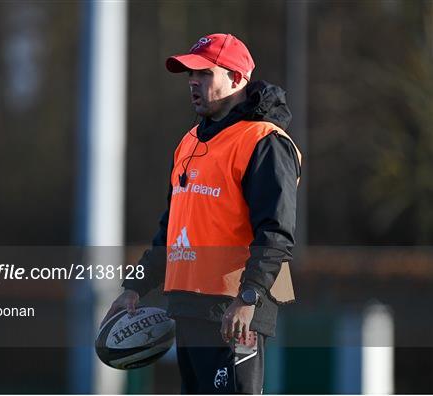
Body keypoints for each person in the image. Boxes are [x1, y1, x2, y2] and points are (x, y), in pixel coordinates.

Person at [102, 33, 302, 394]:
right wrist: (135, 287)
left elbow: (276, 233)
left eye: (205, 73)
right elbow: (172, 229)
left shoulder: (264, 141)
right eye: (189, 75)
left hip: (234, 314)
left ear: (238, 79)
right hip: (188, 310)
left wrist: (249, 298)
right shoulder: (190, 141)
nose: (193, 81)